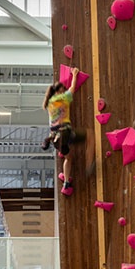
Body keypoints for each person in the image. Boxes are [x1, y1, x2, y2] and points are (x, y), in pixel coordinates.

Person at [42, 68, 85, 197]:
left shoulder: (49, 103)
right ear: (57, 92)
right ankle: (66, 182)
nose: (63, 92)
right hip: (64, 132)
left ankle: (66, 178)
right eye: (61, 90)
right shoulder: (62, 98)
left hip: (55, 135)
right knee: (86, 139)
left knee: (67, 156)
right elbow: (72, 88)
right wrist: (75, 75)